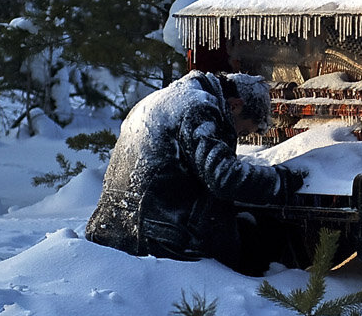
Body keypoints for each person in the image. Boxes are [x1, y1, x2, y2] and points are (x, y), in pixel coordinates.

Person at [85, 70, 305, 275]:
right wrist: (283, 180)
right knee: (255, 246)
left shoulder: (161, 99)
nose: (239, 137)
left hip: (113, 229)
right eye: (244, 130)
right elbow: (224, 178)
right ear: (236, 105)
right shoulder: (198, 108)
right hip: (156, 240)